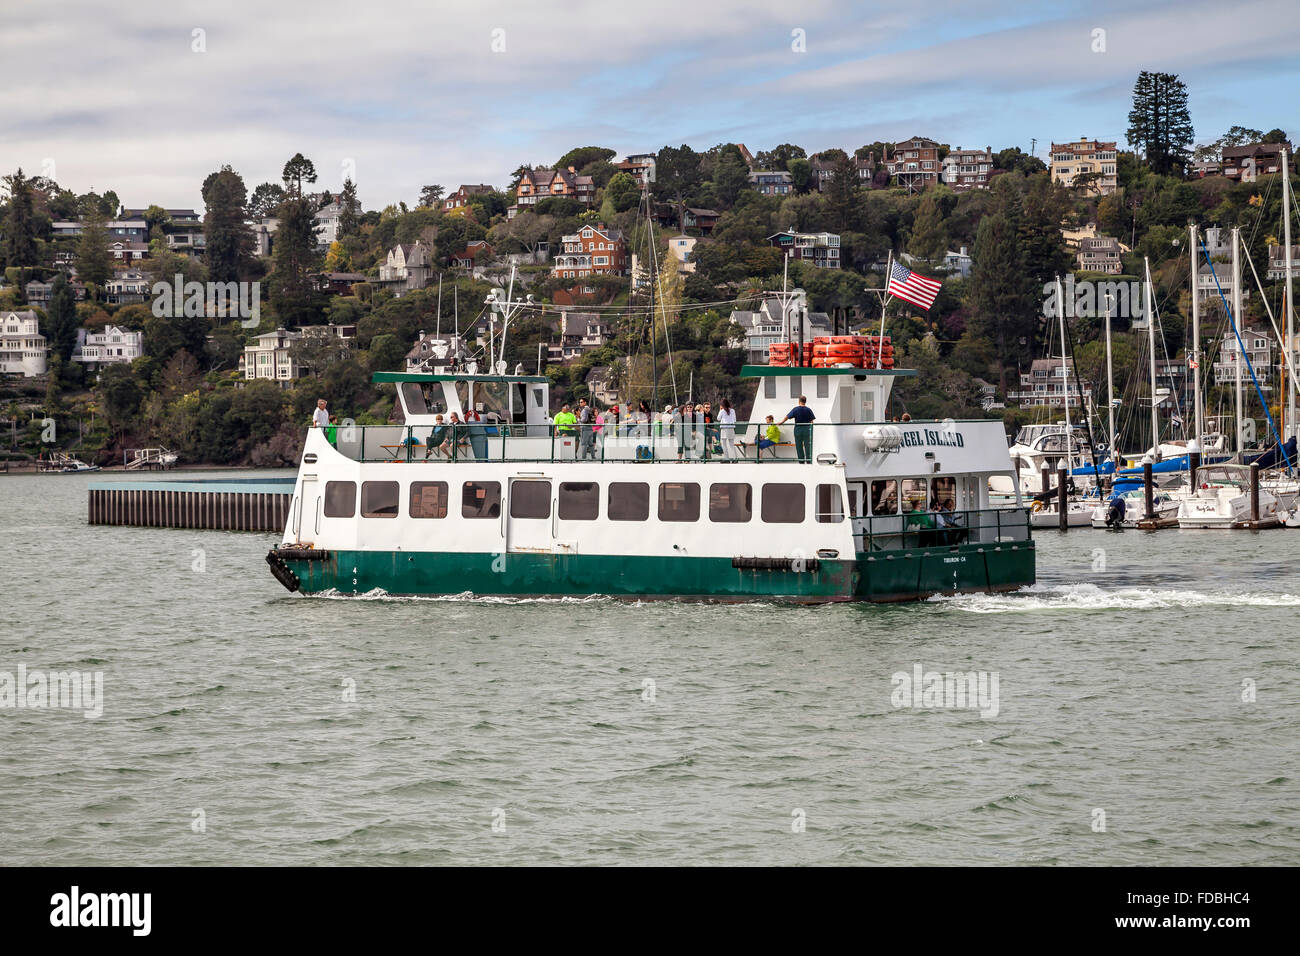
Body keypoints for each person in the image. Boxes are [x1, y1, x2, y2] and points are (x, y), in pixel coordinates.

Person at [780, 395, 816, 463]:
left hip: (798, 429)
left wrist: (781, 422)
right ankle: (809, 461)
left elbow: (787, 417)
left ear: (799, 401)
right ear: (805, 401)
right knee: (808, 446)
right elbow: (812, 422)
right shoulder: (808, 410)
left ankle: (801, 462)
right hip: (807, 429)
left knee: (799, 446)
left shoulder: (796, 409)